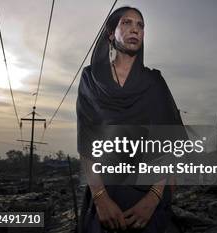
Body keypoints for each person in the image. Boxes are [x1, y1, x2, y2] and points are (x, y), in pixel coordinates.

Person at [76, 6, 183, 233]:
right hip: (105, 192)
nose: (135, 29)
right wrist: (101, 199)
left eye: (140, 25)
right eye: (126, 23)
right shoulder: (90, 79)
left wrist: (153, 198)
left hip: (148, 195)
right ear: (110, 33)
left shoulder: (154, 82)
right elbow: (86, 144)